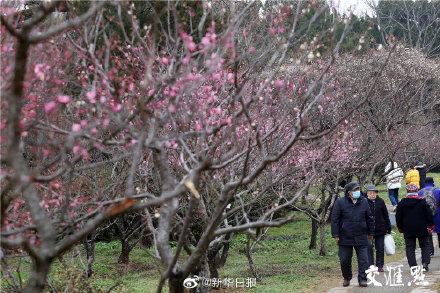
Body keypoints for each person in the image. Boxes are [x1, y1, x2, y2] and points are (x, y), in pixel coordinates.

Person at [331, 182, 374, 287]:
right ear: (349, 192)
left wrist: (371, 232)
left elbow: (369, 218)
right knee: (344, 259)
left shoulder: (364, 202)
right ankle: (347, 277)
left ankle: (362, 279)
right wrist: (336, 234)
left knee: (364, 260)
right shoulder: (340, 202)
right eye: (355, 190)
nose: (357, 192)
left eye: (358, 189)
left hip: (361, 235)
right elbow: (335, 219)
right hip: (345, 236)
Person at [396, 184, 434, 271]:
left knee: (410, 247)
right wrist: (430, 225)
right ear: (417, 191)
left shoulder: (402, 203)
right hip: (422, 228)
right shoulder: (422, 202)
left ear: (407, 191)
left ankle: (413, 266)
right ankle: (425, 263)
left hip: (408, 229)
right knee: (425, 245)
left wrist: (400, 227)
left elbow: (398, 217)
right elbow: (429, 215)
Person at [365, 184, 391, 272]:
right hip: (368, 230)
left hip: (380, 229)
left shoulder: (380, 201)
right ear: (367, 194)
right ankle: (371, 265)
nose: (372, 194)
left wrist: (388, 227)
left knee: (379, 248)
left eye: (374, 192)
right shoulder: (364, 202)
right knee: (369, 248)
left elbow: (386, 215)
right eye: (370, 193)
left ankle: (380, 265)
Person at [418, 177, 440, 256]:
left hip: (425, 216)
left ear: (425, 183)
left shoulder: (420, 192)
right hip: (437, 215)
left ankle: (430, 251)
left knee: (428, 234)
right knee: (439, 232)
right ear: (433, 182)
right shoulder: (438, 191)